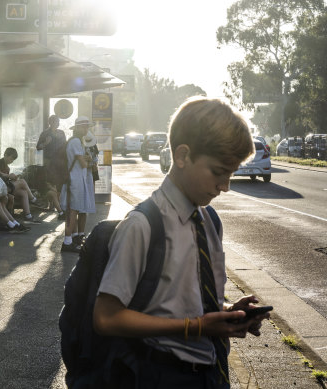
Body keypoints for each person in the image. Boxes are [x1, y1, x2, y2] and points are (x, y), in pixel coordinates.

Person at [93, 97, 270, 388]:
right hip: (158, 375)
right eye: (218, 172)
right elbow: (106, 317)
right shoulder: (142, 225)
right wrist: (198, 327)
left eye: (231, 173)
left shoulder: (210, 220)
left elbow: (176, 300)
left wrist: (227, 312)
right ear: (183, 155)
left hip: (212, 372)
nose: (225, 186)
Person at [59, 116, 96, 253]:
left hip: (75, 180)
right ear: (77, 128)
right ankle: (67, 242)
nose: (86, 129)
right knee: (72, 211)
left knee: (73, 210)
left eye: (87, 126)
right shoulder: (75, 142)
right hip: (74, 181)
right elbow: (83, 164)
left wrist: (85, 159)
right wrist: (88, 161)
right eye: (84, 126)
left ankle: (72, 239)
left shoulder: (76, 142)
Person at [0, 147, 42, 223]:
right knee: (22, 181)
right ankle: (33, 199)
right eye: (11, 159)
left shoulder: (7, 167)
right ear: (5, 155)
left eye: (13, 160)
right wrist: (8, 176)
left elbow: (5, 179)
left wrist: (13, 178)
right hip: (0, 188)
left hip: (6, 187)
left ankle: (28, 216)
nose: (12, 161)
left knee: (24, 192)